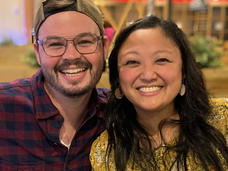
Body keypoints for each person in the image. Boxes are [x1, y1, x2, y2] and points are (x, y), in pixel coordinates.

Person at [90, 15, 228, 171]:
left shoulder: (223, 121)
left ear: (183, 71)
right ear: (118, 81)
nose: (148, 75)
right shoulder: (106, 151)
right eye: (132, 62)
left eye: (162, 60)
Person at [0, 0, 109, 170]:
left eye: (85, 42)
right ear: (37, 52)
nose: (71, 56)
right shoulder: (4, 108)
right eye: (55, 44)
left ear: (104, 47)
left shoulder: (118, 115)